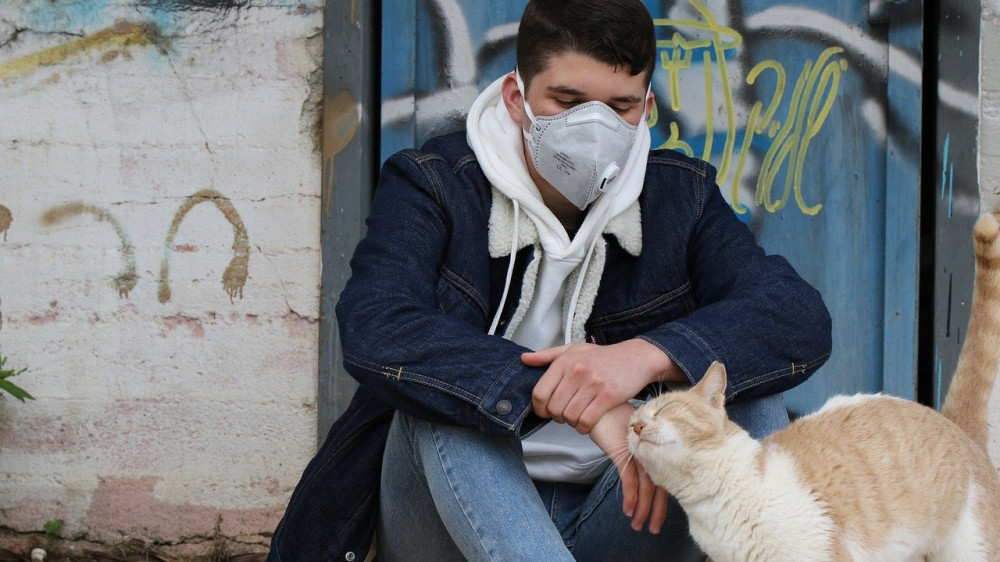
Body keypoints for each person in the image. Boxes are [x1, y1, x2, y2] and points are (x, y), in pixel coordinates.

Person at [268, 0, 832, 560]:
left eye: (621, 107)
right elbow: (376, 327)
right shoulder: (435, 187)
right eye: (567, 101)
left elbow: (793, 315)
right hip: (449, 509)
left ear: (648, 108)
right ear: (517, 98)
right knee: (448, 402)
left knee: (746, 398)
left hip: (625, 509)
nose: (594, 127)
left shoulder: (679, 199)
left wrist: (640, 358)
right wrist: (570, 399)